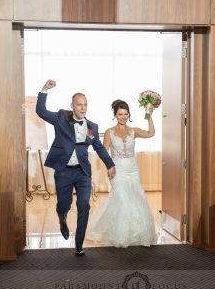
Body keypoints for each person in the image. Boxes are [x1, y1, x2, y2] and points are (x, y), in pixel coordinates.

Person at [36, 79, 116, 256]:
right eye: (79, 105)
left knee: (84, 205)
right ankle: (62, 216)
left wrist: (110, 164)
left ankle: (79, 244)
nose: (82, 108)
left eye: (85, 105)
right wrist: (44, 90)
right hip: (63, 171)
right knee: (64, 204)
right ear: (71, 105)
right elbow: (40, 111)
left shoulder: (92, 127)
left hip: (82, 173)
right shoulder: (61, 117)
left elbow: (99, 147)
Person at [86, 99, 157, 248]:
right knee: (123, 200)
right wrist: (109, 166)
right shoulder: (109, 132)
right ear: (115, 115)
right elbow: (104, 152)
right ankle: (121, 235)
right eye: (120, 114)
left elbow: (151, 133)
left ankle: (136, 233)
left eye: (125, 114)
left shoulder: (134, 131)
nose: (123, 117)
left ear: (128, 114)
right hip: (117, 170)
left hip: (133, 170)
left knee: (136, 199)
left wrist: (149, 114)